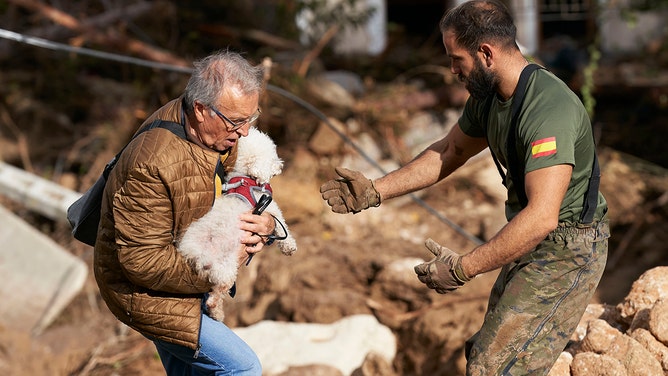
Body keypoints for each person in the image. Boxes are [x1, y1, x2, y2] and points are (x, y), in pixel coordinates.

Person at [320, 0, 609, 374]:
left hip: (569, 250)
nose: (452, 69)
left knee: (497, 367)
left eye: (457, 59)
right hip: (534, 237)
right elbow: (450, 150)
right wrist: (374, 191)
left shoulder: (547, 109)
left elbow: (542, 218)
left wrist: (463, 269)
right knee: (483, 354)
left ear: (486, 53)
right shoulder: (489, 97)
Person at [94, 50, 275, 375]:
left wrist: (266, 225)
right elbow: (140, 262)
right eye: (237, 122)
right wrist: (220, 267)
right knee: (243, 368)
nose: (245, 132)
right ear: (202, 109)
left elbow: (242, 187)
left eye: (251, 118)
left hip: (183, 277)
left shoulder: (214, 133)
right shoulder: (150, 165)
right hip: (145, 294)